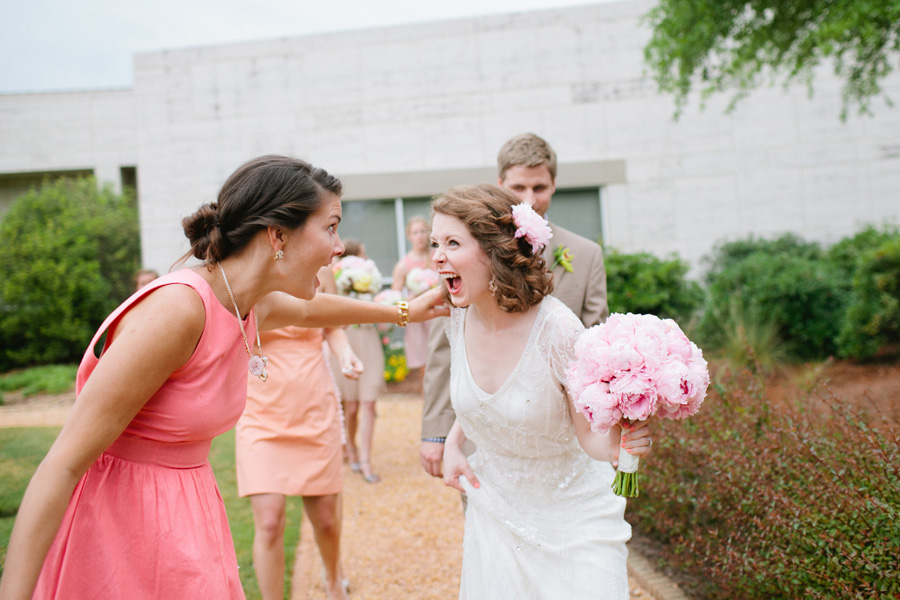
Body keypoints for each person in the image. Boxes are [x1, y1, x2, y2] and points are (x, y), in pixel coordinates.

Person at [0, 155, 446, 600]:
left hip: (188, 510)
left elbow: (313, 311)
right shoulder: (179, 311)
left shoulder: (249, 302)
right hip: (123, 522)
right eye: (330, 227)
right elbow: (61, 464)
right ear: (277, 235)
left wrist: (408, 310)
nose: (337, 248)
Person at [431, 184, 652, 598]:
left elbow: (589, 436)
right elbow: (480, 401)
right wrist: (452, 446)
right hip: (495, 512)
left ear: (493, 250)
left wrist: (618, 445)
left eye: (452, 243)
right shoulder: (456, 317)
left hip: (574, 519)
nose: (437, 255)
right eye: (434, 243)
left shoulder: (557, 329)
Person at [420, 132, 609, 477]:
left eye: (539, 188)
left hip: (553, 435)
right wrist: (439, 434)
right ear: (500, 184)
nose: (529, 200)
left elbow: (594, 348)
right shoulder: (460, 259)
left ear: (553, 185)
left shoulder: (585, 255)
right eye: (518, 188)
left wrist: (616, 421)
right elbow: (442, 355)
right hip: (482, 442)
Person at [235, 266, 357, 600]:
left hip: (313, 406)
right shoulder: (250, 270)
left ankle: (333, 579)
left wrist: (345, 353)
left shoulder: (320, 269)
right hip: (261, 410)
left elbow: (333, 327)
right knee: (270, 522)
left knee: (327, 521)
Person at [329, 239, 385, 484]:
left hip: (369, 337)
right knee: (350, 407)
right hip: (346, 338)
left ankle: (365, 459)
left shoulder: (370, 275)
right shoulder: (333, 274)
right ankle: (350, 446)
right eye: (362, 254)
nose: (366, 258)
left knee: (369, 404)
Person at [391, 215, 435, 377]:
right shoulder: (403, 265)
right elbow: (395, 298)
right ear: (409, 236)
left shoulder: (437, 257)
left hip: (440, 315)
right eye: (416, 232)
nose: (420, 236)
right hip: (418, 318)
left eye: (423, 231)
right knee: (425, 365)